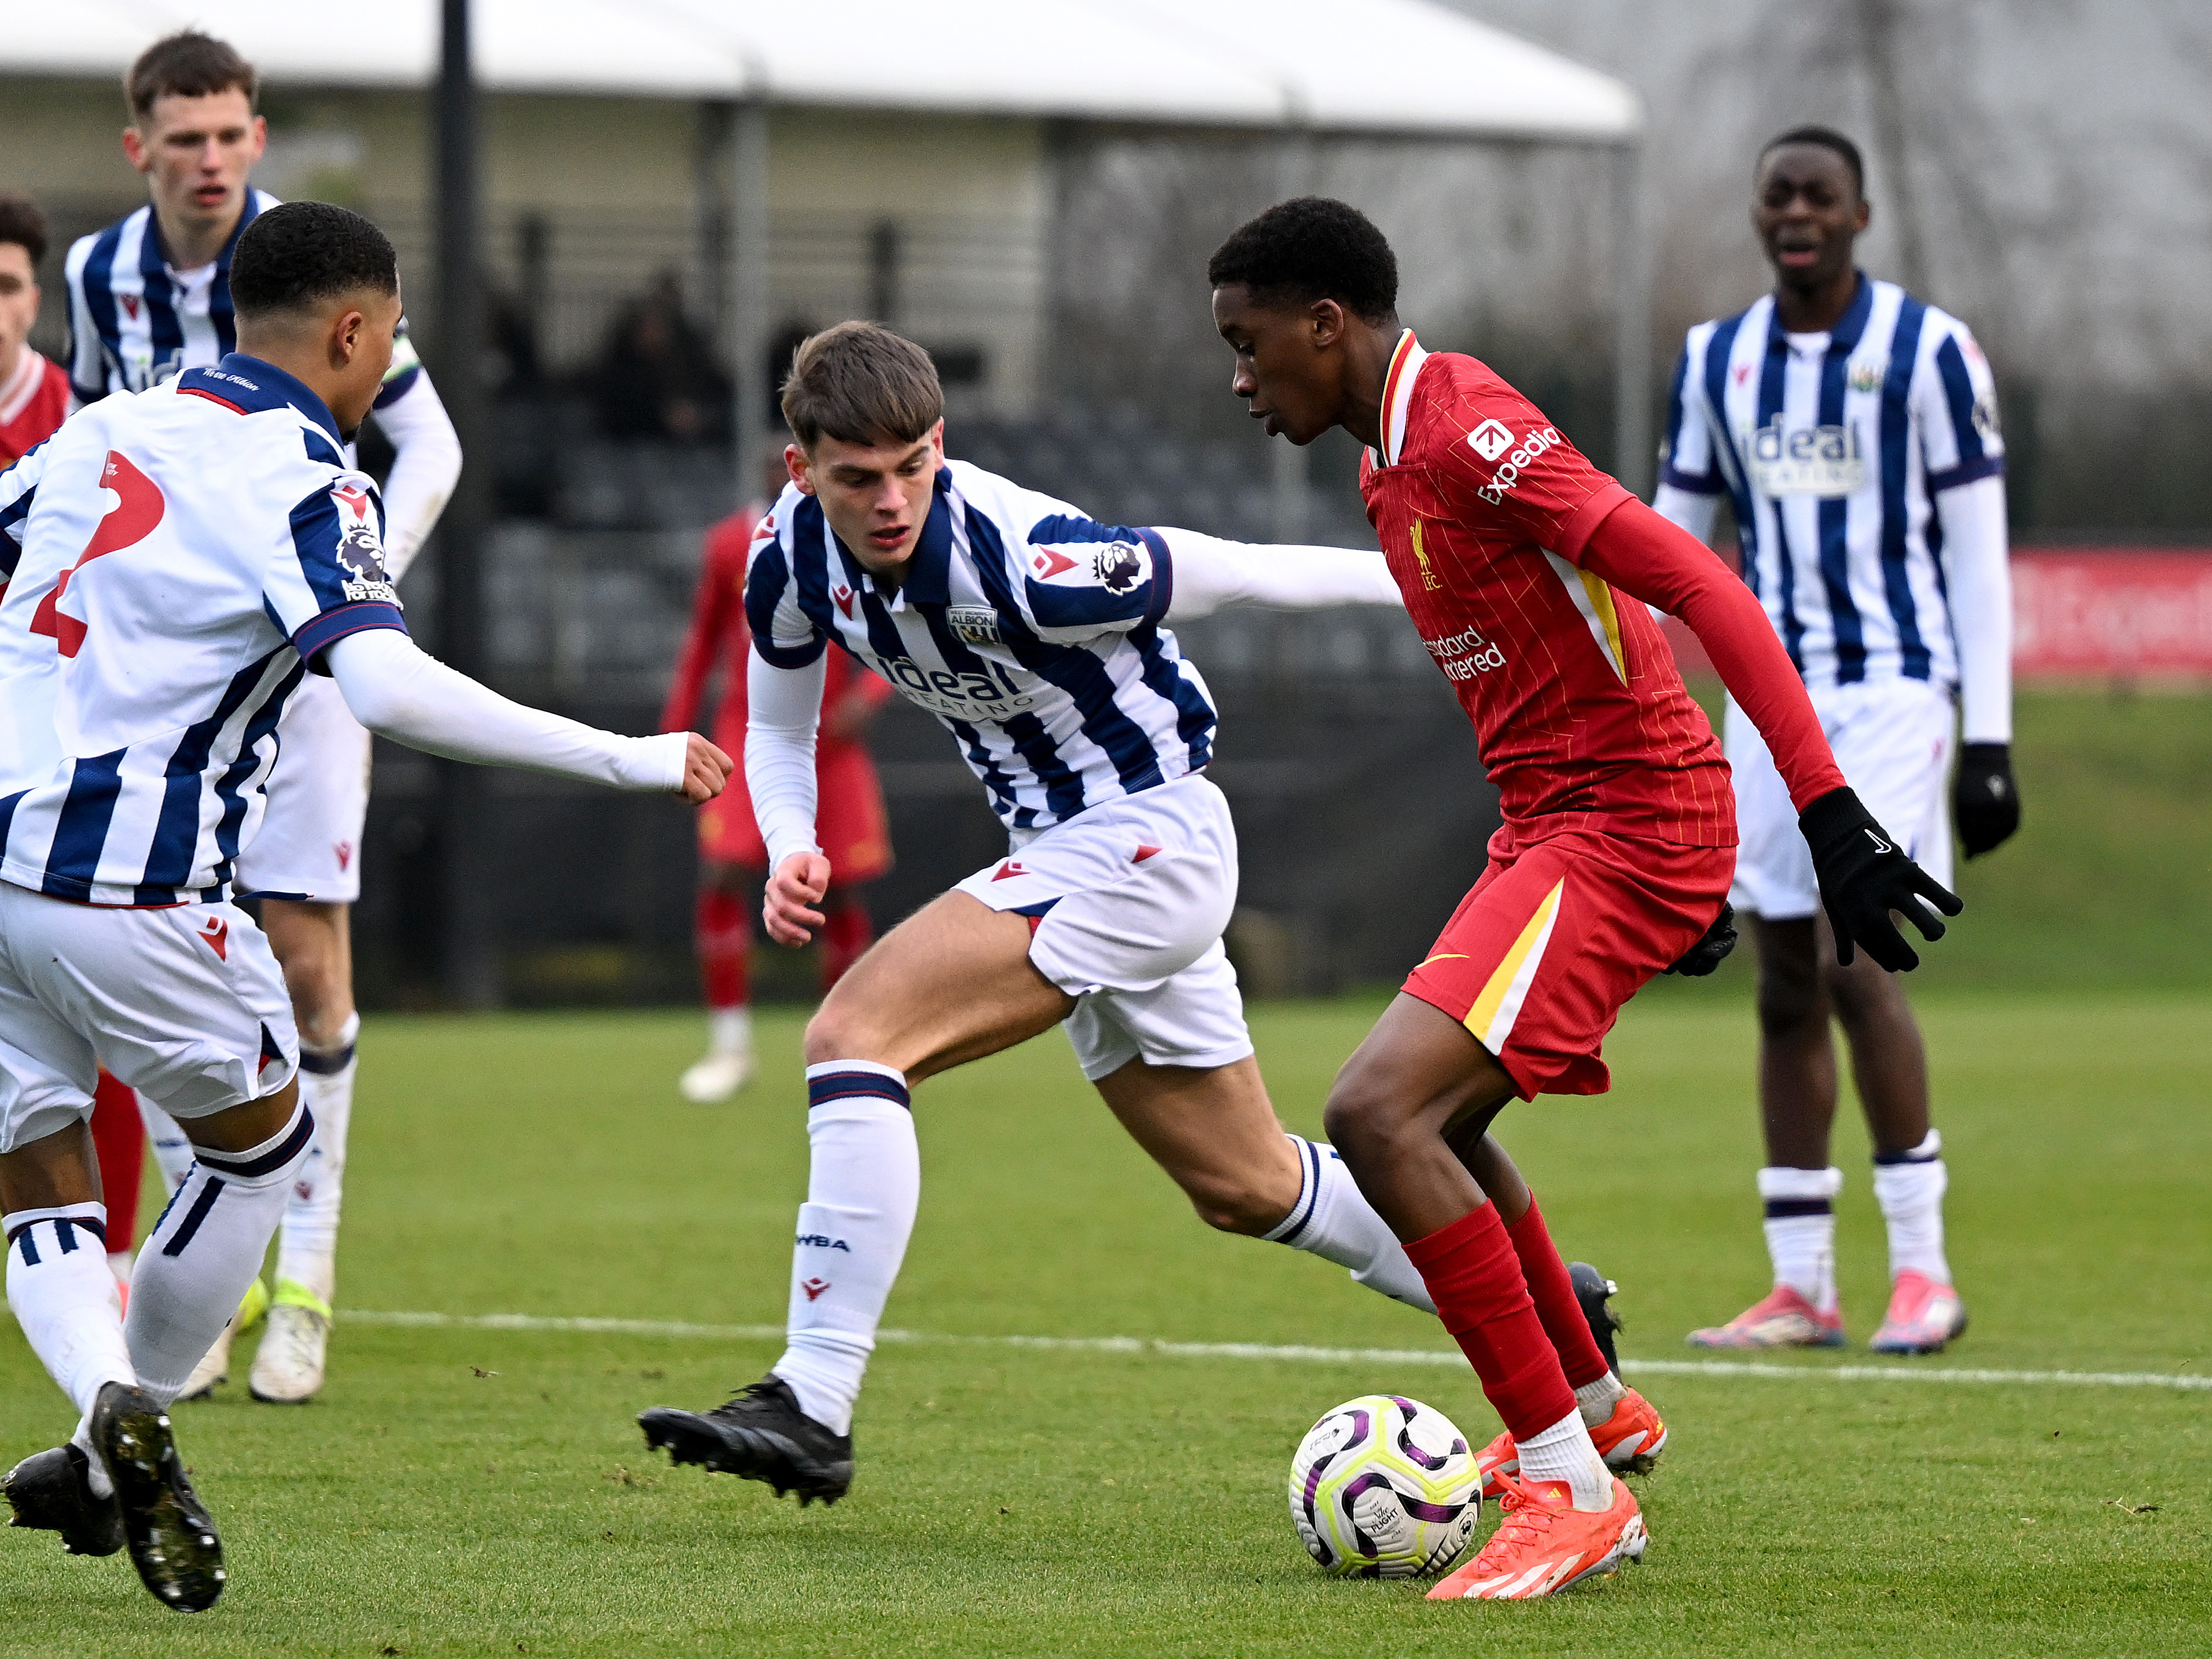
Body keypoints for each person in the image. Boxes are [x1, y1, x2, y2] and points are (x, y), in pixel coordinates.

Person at [638, 321, 1669, 1510]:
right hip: (1065, 853)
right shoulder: (785, 559)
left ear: (941, 444)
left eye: (913, 463)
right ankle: (1550, 1316)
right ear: (798, 468)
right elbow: (775, 725)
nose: (890, 498)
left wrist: (1435, 570)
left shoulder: (1026, 557)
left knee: (853, 1034)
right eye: (856, 475)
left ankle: (812, 1400)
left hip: (1148, 837)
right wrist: (793, 838)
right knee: (1246, 1181)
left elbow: (1236, 567)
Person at [1204, 197, 1959, 1600]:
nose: (1240, 379)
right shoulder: (1383, 468)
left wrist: (1821, 805)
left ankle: (1569, 1485)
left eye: (1250, 346)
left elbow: (1696, 585)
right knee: (1445, 1116)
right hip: (1565, 823)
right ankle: (1595, 1407)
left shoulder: (1468, 429)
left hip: (1622, 821)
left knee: (1379, 1111)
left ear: (1329, 324)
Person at [0, 199, 728, 1613]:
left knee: (36, 1174)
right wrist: (621, 754)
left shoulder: (100, 427)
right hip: (132, 881)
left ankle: (104, 1429)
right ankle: (134, 1402)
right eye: (391, 334)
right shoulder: (310, 477)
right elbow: (384, 684)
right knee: (262, 1145)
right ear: (354, 332)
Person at [63, 31, 465, 1404]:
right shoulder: (99, 273)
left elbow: (433, 439)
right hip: (168, 669)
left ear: (257, 133)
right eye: (187, 139)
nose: (215, 159)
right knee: (166, 949)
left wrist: (348, 600)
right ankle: (211, 1283)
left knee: (304, 959)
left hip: (306, 653)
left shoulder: (313, 261)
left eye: (234, 133)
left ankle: (309, 1278)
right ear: (144, 149)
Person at [1656, 128, 2016, 1357]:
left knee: (1863, 960)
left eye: (1819, 195)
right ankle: (1801, 1283)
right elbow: (1671, 546)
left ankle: (1923, 1270)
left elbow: (1975, 548)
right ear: (1758, 216)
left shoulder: (1929, 351)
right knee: (1782, 976)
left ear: (1860, 213)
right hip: (1768, 702)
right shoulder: (1715, 362)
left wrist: (1992, 736)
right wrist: (1648, 711)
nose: (1796, 212)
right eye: (1777, 196)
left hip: (1895, 691)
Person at [0, 196, 152, 1294]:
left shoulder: (80, 426)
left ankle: (114, 1251)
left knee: (95, 1000)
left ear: (36, 299)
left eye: (7, 287)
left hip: (63, 750)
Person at [661, 445, 895, 1102]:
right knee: (723, 872)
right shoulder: (731, 543)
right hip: (752, 728)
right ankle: (730, 1044)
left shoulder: (855, 534)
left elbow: (896, 620)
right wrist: (674, 731)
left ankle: (846, 1041)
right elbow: (702, 639)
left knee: (843, 890)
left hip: (833, 736)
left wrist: (868, 697)